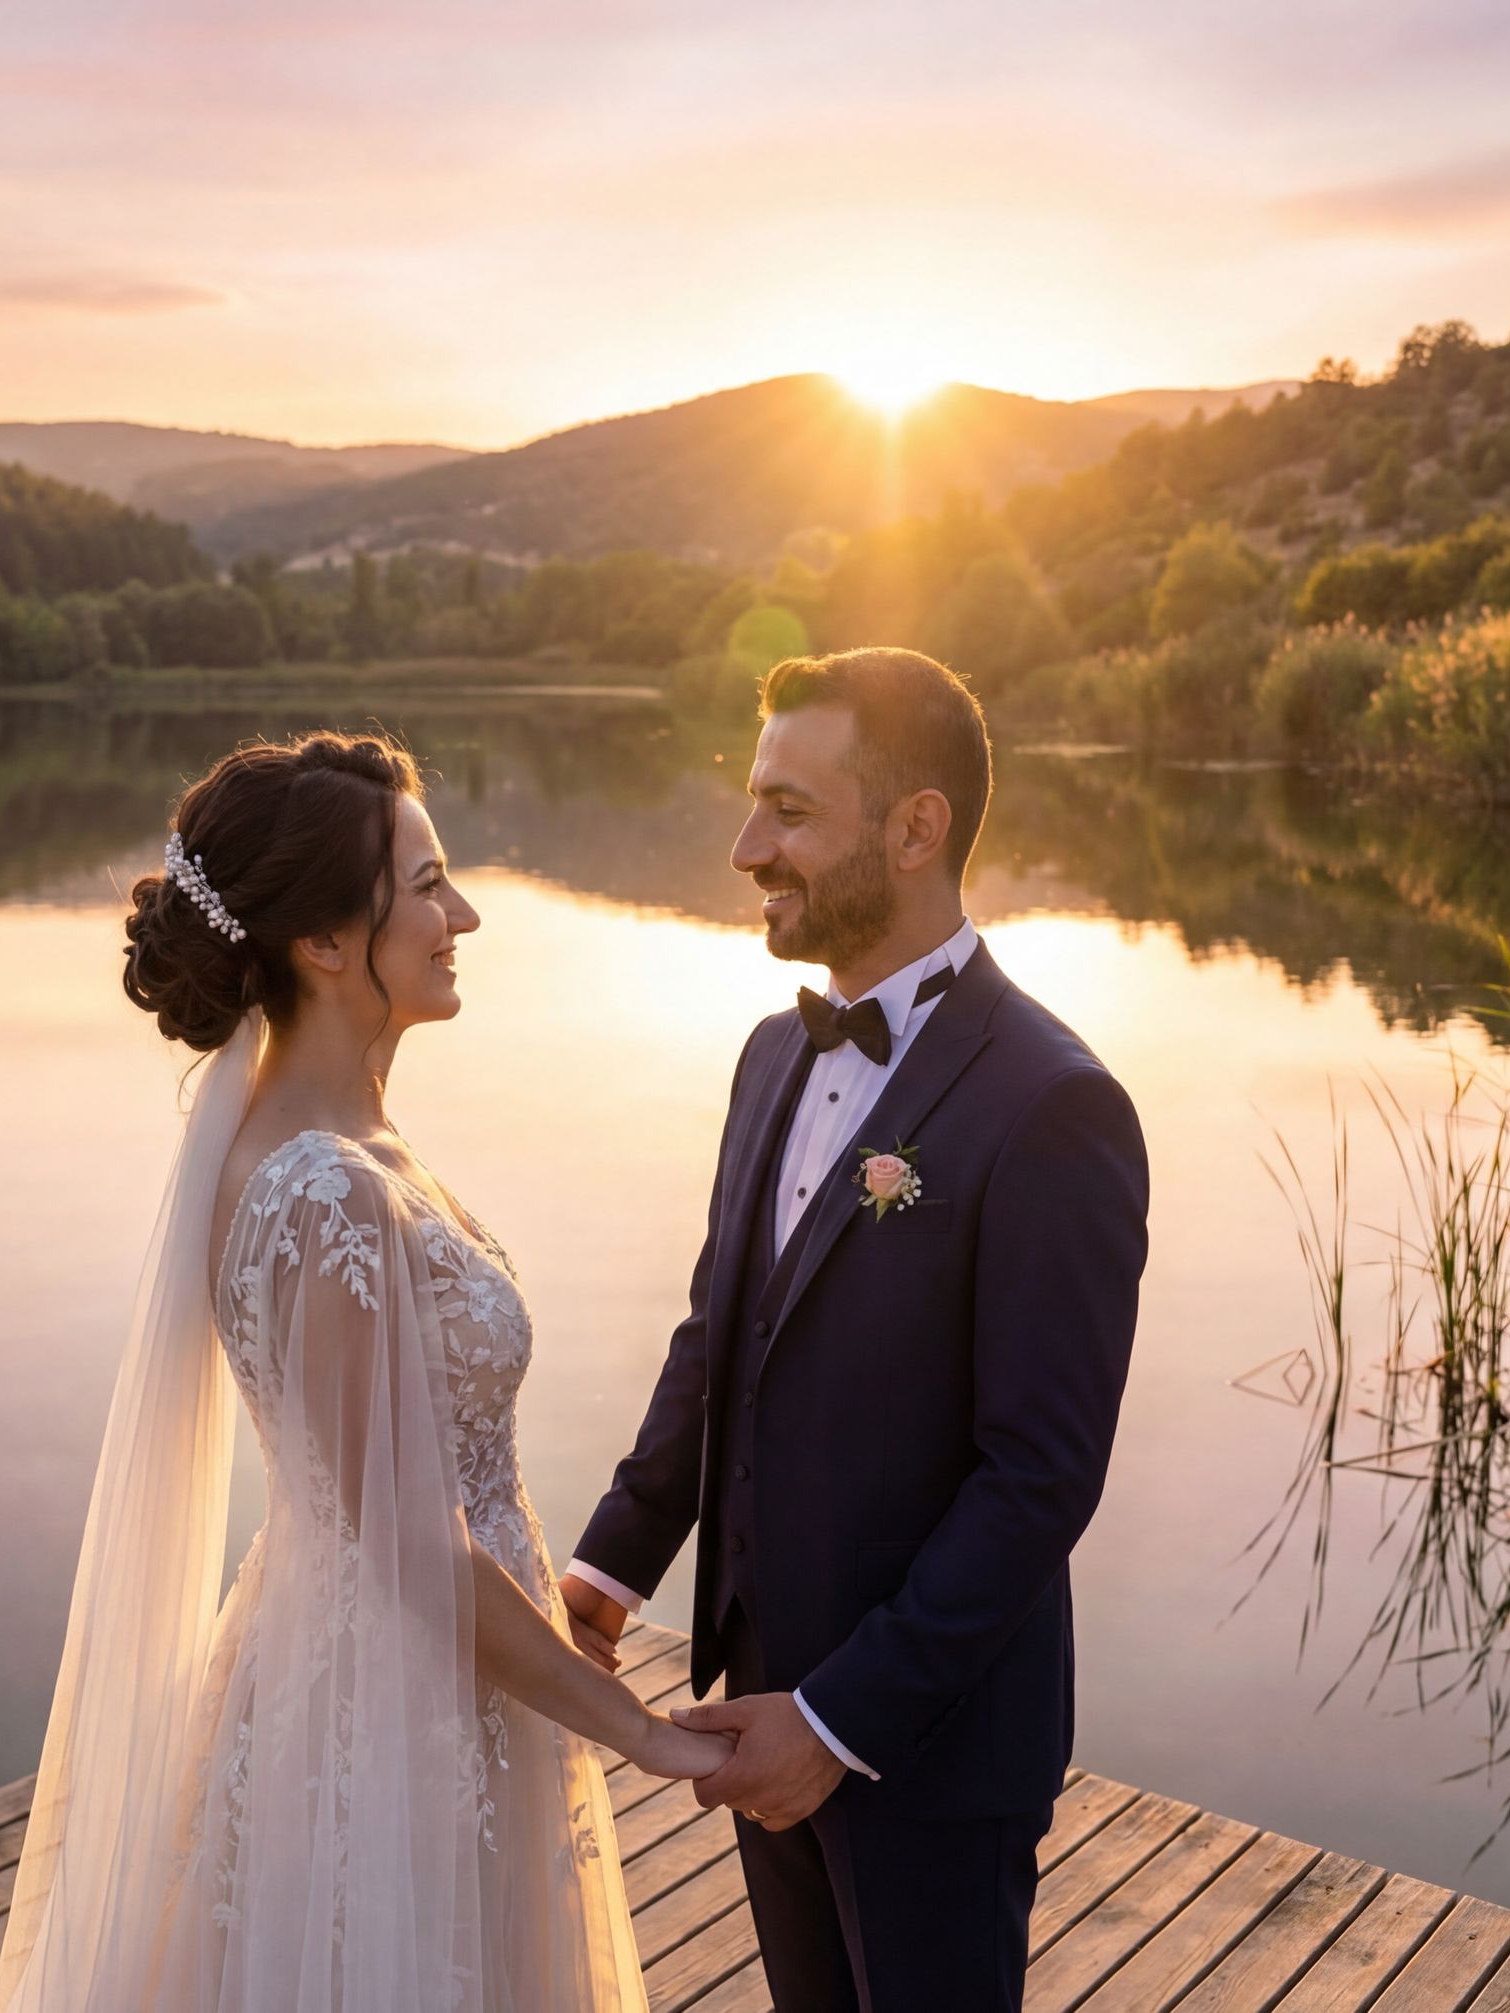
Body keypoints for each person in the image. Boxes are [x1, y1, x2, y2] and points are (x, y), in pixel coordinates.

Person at [0, 732, 727, 2013]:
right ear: (325, 944)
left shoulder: (348, 1139)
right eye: (429, 885)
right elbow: (408, 1548)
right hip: (385, 1720)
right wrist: (646, 1736)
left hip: (448, 1675)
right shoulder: (320, 1185)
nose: (466, 915)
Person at [562, 649, 1152, 2013]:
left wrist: (836, 1725)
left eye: (788, 809)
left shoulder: (1055, 1105)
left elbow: (1039, 1476)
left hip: (925, 1744)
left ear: (916, 828)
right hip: (760, 1701)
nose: (744, 845)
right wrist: (612, 1563)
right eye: (752, 803)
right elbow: (723, 1335)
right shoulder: (775, 1052)